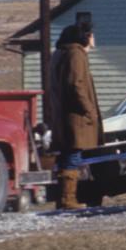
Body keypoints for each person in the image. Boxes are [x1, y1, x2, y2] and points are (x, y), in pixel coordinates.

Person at [50, 24, 103, 209]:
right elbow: (76, 84)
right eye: (92, 35)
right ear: (86, 36)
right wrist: (89, 110)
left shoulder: (59, 54)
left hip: (62, 114)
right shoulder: (76, 54)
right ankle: (68, 199)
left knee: (67, 156)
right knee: (73, 155)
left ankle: (63, 198)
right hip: (76, 116)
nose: (94, 38)